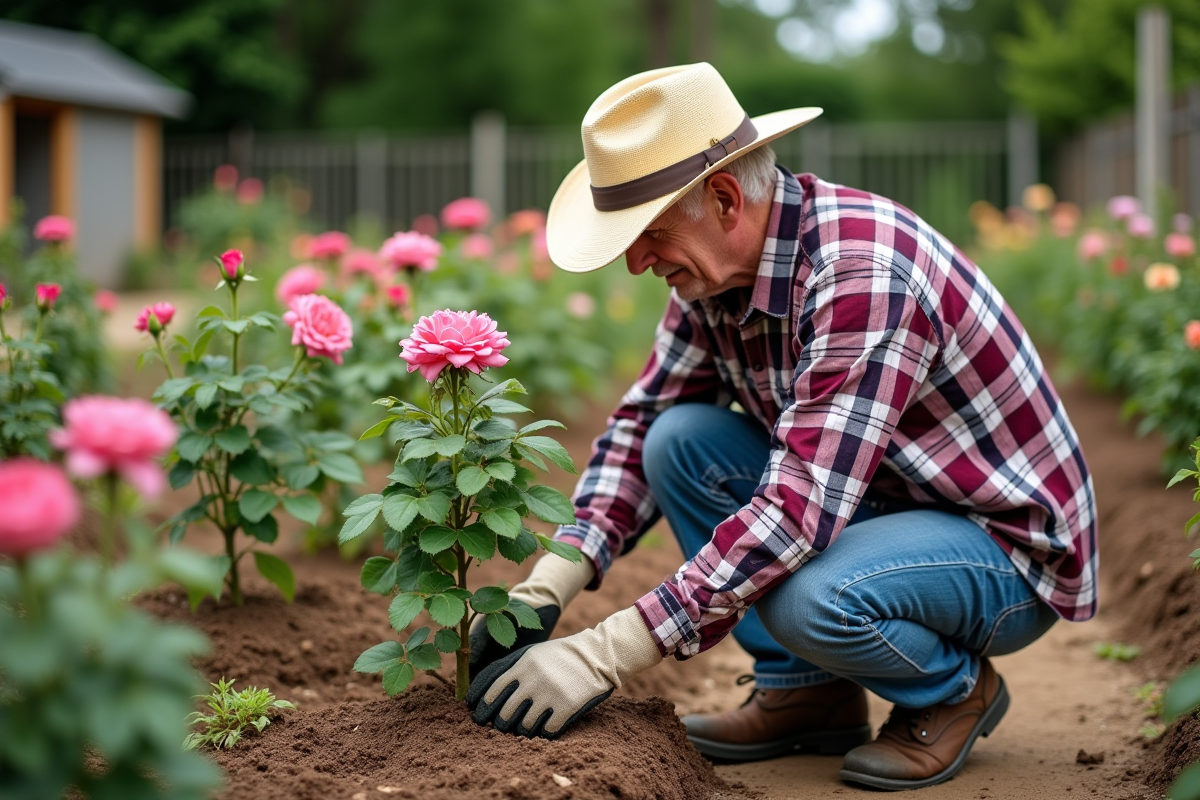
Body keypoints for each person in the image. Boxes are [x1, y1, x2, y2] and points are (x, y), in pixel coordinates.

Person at [466, 62, 1097, 791]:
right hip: (886, 502)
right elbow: (642, 426)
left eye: (647, 233)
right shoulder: (714, 276)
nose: (637, 260)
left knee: (810, 595)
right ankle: (808, 693)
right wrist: (550, 582)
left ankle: (954, 692)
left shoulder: (862, 272)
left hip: (1001, 545)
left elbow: (798, 511)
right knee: (679, 441)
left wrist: (604, 651)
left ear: (726, 199)